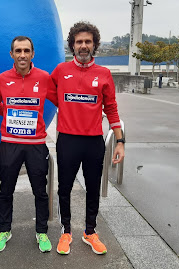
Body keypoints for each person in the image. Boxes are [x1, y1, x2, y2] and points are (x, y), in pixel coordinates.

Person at [51, 21, 125, 255]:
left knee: (93, 188)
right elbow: (50, 93)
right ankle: (66, 231)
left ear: (94, 45)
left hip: (94, 142)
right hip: (67, 141)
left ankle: (90, 231)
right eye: (79, 42)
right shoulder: (61, 71)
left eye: (88, 42)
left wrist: (120, 141)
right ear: (72, 45)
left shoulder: (103, 74)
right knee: (64, 188)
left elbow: (111, 108)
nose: (83, 46)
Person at [0, 36, 57, 253]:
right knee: (5, 190)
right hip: (10, 144)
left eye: (26, 50)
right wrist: (9, 114)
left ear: (32, 54)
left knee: (40, 191)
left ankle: (41, 232)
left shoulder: (44, 77)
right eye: (18, 51)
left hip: (36, 144)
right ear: (11, 54)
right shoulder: (2, 78)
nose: (22, 55)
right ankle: (5, 230)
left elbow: (61, 100)